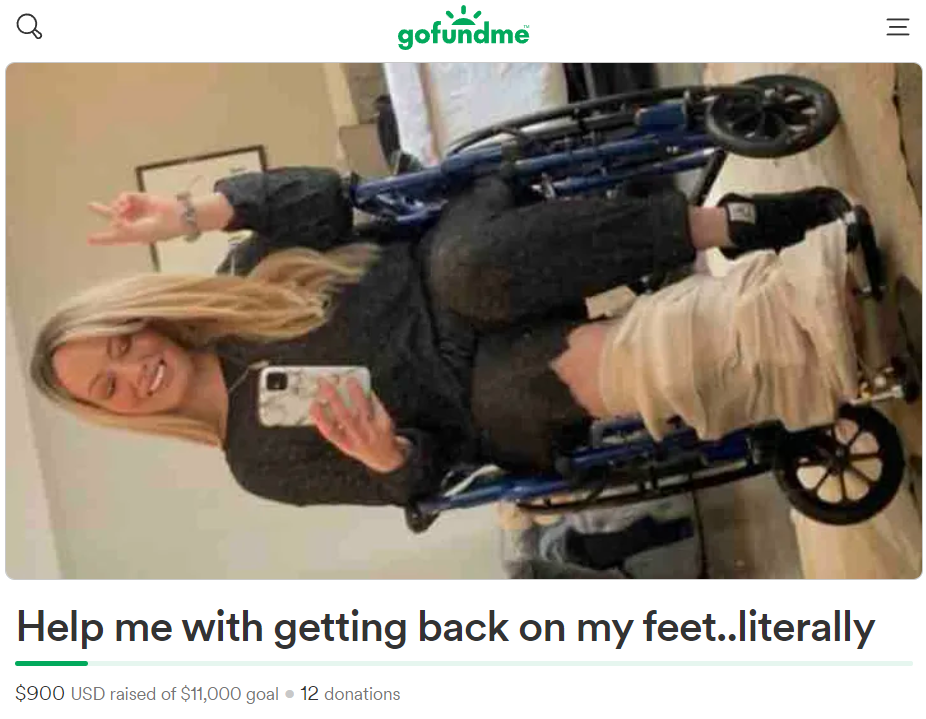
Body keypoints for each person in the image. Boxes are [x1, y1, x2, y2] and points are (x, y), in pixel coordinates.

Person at [31, 167, 860, 508]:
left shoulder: (245, 275)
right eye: (110, 385)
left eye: (121, 344)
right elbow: (421, 482)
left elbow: (328, 197)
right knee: (519, 388)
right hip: (467, 398)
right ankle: (798, 331)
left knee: (472, 271)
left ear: (140, 318)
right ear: (119, 415)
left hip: (450, 267)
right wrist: (387, 455)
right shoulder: (257, 465)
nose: (134, 369)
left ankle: (729, 223)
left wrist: (192, 213)